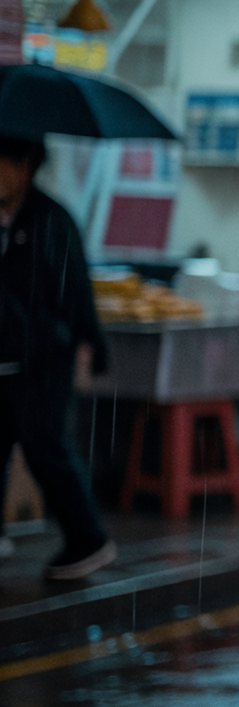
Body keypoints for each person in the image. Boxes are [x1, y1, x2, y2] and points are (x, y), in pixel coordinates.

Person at [0, 135, 114, 581]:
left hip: (42, 362)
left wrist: (89, 347)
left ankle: (88, 539)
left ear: (25, 165)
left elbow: (75, 297)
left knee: (45, 446)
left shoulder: (50, 221)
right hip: (6, 361)